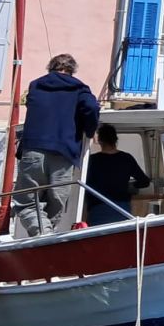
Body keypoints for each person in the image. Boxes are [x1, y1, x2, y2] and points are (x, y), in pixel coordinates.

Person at [11, 54, 100, 236]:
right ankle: (46, 237)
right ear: (72, 71)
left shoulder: (36, 85)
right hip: (64, 154)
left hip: (34, 150)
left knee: (26, 202)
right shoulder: (79, 89)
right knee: (56, 202)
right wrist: (90, 131)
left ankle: (42, 235)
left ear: (50, 68)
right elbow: (91, 108)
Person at [83, 124, 154, 227]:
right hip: (122, 209)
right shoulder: (126, 158)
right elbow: (144, 182)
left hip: (97, 209)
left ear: (100, 140)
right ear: (115, 140)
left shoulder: (92, 160)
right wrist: (132, 186)